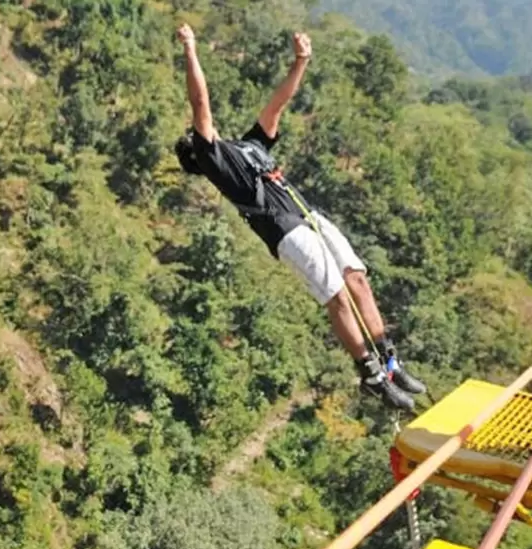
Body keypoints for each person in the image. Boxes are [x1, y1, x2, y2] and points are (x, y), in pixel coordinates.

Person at [171, 23, 425, 413]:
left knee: (357, 279)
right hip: (284, 228)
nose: (202, 131)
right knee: (336, 295)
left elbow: (278, 105)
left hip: (308, 215)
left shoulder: (248, 147)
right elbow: (200, 103)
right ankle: (371, 374)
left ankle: (390, 361)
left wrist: (301, 61)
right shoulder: (215, 162)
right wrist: (191, 49)